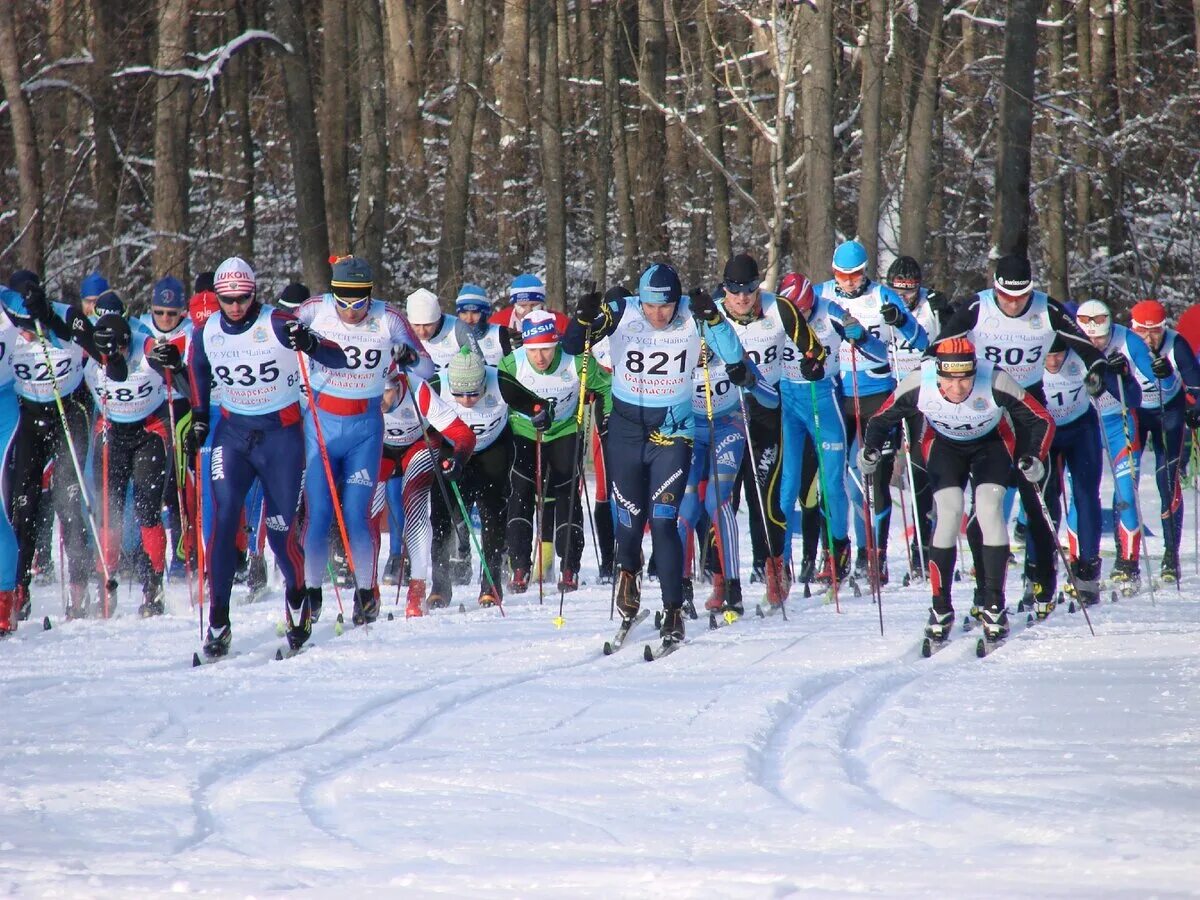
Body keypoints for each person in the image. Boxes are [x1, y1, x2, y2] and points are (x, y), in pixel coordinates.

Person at [563, 264, 746, 652]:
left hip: (673, 431)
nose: (658, 315)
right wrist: (582, 316)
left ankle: (673, 609)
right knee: (629, 524)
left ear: (676, 300)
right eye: (650, 306)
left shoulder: (694, 314)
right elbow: (571, 346)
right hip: (626, 432)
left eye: (665, 306)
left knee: (664, 521)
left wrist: (713, 317)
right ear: (639, 299)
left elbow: (733, 355)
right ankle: (628, 573)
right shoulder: (622, 310)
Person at [187, 256, 349, 658]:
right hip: (233, 435)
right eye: (227, 299)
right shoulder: (207, 331)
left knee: (279, 533)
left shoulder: (276, 323)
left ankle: (298, 604)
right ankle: (219, 623)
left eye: (243, 297)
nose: (236, 306)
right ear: (217, 297)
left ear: (254, 293)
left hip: (282, 437)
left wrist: (309, 342)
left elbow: (338, 357)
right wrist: (200, 417)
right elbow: (198, 369)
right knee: (224, 520)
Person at [933, 253, 1105, 607]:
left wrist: (1099, 367)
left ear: (1031, 291)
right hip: (987, 407)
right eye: (1006, 296)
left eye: (1021, 297)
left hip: (1028, 405)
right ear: (995, 289)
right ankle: (985, 587)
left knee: (1038, 498)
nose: (1013, 304)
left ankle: (1042, 578)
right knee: (984, 503)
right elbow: (937, 349)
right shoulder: (978, 307)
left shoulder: (1047, 309)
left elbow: (1086, 347)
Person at [861, 338, 1053, 643]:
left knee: (989, 511)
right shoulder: (918, 381)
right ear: (938, 372)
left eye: (965, 378)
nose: (959, 388)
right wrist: (870, 450)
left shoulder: (994, 379)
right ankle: (940, 607)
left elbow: (1040, 418)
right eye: (950, 379)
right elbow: (880, 420)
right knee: (948, 514)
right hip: (942, 445)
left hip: (992, 444)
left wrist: (1033, 456)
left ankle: (993, 605)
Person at [294, 255, 433, 626]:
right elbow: (279, 331)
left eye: (360, 300)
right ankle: (310, 592)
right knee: (318, 513)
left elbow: (427, 367)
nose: (352, 309)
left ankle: (366, 592)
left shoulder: (387, 317)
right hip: (320, 426)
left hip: (365, 430)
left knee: (358, 514)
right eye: (344, 300)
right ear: (333, 293)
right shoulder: (316, 310)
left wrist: (409, 354)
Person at [716, 253, 824, 605]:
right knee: (721, 499)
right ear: (725, 290)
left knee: (765, 497)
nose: (742, 298)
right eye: (735, 290)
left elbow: (815, 351)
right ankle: (722, 578)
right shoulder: (712, 316)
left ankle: (775, 569)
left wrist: (813, 366)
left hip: (767, 411)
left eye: (748, 289)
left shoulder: (780, 309)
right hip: (724, 413)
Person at [821, 240, 931, 584]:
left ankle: (876, 556)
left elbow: (922, 340)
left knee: (876, 481)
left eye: (854, 275)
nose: (848, 282)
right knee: (843, 483)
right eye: (842, 275)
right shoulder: (822, 293)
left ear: (865, 271)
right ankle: (838, 551)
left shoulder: (884, 296)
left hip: (878, 402)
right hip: (838, 397)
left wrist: (899, 320)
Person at [775, 271, 884, 587]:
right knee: (787, 485)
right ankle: (779, 564)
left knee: (832, 484)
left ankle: (838, 550)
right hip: (787, 400)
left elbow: (879, 354)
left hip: (823, 398)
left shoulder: (831, 310)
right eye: (796, 313)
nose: (802, 318)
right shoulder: (775, 313)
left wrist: (859, 336)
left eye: (806, 311)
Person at [79, 312, 185, 616]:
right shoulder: (88, 352)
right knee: (109, 512)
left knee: (147, 509)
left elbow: (185, 383)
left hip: (149, 431)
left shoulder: (147, 347)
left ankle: (153, 586)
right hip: (111, 431)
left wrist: (175, 363)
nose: (119, 356)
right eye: (113, 351)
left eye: (124, 350)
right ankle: (106, 582)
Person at [427, 347, 549, 609]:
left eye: (474, 393)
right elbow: (417, 417)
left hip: (492, 449)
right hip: (452, 449)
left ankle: (491, 583)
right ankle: (439, 585)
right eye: (459, 394)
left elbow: (536, 403)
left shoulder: (499, 381)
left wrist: (540, 414)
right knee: (441, 515)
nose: (467, 400)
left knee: (493, 515)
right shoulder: (437, 385)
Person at [499, 309, 610, 593]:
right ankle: (520, 565)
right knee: (521, 492)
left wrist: (606, 417)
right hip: (526, 432)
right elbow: (505, 398)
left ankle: (569, 565)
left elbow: (608, 386)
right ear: (525, 345)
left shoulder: (576, 361)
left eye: (547, 349)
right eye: (534, 349)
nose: (540, 357)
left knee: (567, 492)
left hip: (564, 430)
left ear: (556, 344)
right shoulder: (512, 364)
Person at [8, 272, 97, 620]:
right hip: (27, 416)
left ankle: (79, 588)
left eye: (28, 318)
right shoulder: (5, 327)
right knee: (24, 503)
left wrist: (50, 321)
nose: (25, 328)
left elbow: (90, 342)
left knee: (68, 498)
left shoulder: (66, 313)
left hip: (68, 410)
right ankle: (18, 588)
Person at [1042, 336, 1136, 608]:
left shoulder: (1082, 357)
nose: (1054, 362)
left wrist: (1123, 374)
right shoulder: (1029, 361)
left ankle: (1088, 571)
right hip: (1044, 434)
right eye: (1048, 357)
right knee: (1044, 502)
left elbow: (1132, 398)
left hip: (1080, 430)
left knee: (1085, 497)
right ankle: (1039, 574)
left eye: (1059, 355)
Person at [376, 362, 475, 616]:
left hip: (418, 443)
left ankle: (417, 591)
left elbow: (464, 435)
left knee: (415, 505)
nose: (379, 399)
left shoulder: (418, 391)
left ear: (398, 384)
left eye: (386, 391)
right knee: (368, 509)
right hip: (378, 446)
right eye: (374, 390)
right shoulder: (360, 394)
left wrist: (458, 459)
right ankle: (366, 592)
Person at [1074, 300, 1154, 586]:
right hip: (1085, 426)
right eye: (1089, 338)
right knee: (1081, 494)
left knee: (1126, 495)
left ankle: (1128, 564)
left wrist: (1127, 375)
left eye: (1101, 338)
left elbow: (1143, 389)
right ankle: (1080, 562)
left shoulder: (1126, 339)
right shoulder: (1069, 340)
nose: (1096, 344)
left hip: (1119, 423)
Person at [1126, 299, 1200, 582]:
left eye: (1154, 331)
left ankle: (1171, 555)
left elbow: (1196, 383)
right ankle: (1127, 557)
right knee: (1126, 479)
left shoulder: (1175, 344)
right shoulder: (1125, 342)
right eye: (1142, 331)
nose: (1148, 338)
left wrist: (1195, 409)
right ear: (1132, 328)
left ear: (1163, 327)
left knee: (1167, 481)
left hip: (1168, 413)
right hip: (1135, 413)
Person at [883, 256, 948, 562]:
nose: (904, 297)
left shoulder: (931, 307)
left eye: (910, 290)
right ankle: (873, 551)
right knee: (880, 468)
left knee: (920, 467)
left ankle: (923, 543)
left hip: (922, 394)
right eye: (899, 290)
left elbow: (950, 338)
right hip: (887, 392)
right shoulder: (878, 304)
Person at [489, 274, 568, 355]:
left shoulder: (560, 322)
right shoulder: (497, 322)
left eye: (534, 305)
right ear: (514, 304)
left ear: (542, 303)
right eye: (522, 305)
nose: (528, 310)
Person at [454, 284, 505, 363]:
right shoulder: (451, 334)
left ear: (485, 313)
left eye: (475, 313)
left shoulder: (499, 332)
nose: (469, 319)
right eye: (464, 313)